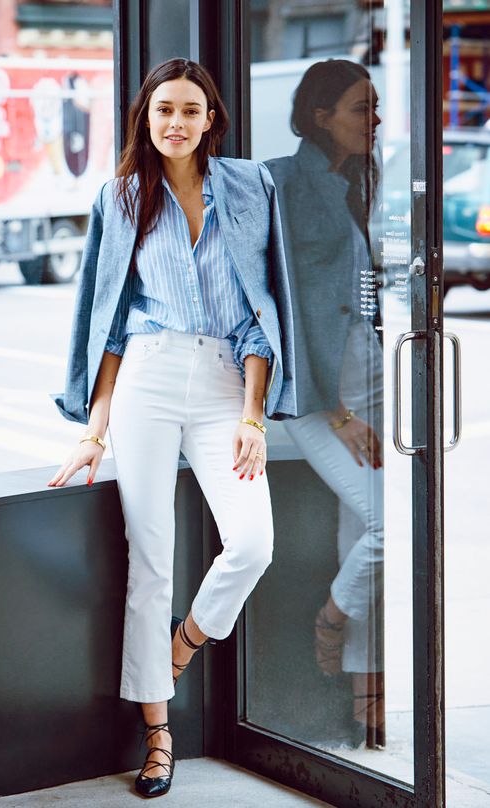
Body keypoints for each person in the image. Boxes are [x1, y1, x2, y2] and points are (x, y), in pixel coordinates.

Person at [48, 58, 296, 797]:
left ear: (211, 118)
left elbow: (262, 311)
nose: (176, 123)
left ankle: (180, 647)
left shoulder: (250, 187)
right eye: (163, 111)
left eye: (190, 110)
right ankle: (159, 735)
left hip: (224, 380)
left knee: (252, 543)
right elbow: (108, 321)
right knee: (149, 560)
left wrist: (253, 415)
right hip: (147, 381)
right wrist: (94, 427)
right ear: (145, 118)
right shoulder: (120, 197)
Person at [265, 59, 385, 747]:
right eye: (359, 107)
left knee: (354, 527)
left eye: (373, 106)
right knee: (383, 526)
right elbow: (280, 306)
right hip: (320, 397)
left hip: (371, 379)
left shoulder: (359, 183)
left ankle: (364, 695)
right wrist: (336, 412)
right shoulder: (284, 182)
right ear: (319, 115)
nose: (372, 119)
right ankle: (332, 619)